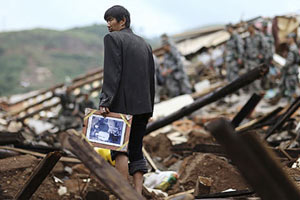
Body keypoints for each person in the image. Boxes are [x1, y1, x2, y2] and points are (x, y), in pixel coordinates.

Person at [98, 5, 155, 194]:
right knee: (136, 149)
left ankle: (123, 194)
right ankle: (137, 194)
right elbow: (150, 77)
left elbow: (112, 72)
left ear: (123, 20)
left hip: (121, 105)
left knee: (119, 149)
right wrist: (150, 108)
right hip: (143, 106)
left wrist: (105, 101)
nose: (108, 24)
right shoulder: (144, 44)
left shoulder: (112, 39)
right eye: (107, 20)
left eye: (111, 20)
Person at [279, 32, 300, 101]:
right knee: (290, 91)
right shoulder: (292, 48)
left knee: (291, 92)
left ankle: (292, 108)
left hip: (291, 72)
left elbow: (289, 62)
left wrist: (282, 69)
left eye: (289, 38)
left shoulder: (293, 48)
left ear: (292, 39)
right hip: (291, 72)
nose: (287, 40)